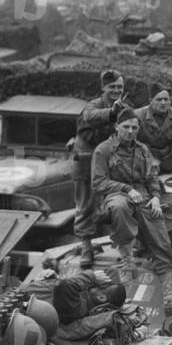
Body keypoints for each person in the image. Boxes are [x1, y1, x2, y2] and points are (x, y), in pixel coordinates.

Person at [92, 109, 172, 314]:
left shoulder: (143, 150)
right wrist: (126, 189)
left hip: (143, 196)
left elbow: (151, 178)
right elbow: (98, 182)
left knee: (161, 240)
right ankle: (126, 262)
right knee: (119, 207)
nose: (131, 131)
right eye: (126, 127)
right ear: (116, 127)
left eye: (134, 127)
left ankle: (169, 297)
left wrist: (157, 198)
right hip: (115, 194)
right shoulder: (104, 150)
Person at [73, 69, 131, 267]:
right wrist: (112, 112)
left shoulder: (124, 107)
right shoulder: (94, 106)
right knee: (86, 205)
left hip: (110, 162)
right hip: (86, 161)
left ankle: (122, 245)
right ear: (103, 88)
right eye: (112, 87)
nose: (116, 90)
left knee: (118, 203)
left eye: (120, 87)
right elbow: (91, 117)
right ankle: (86, 247)